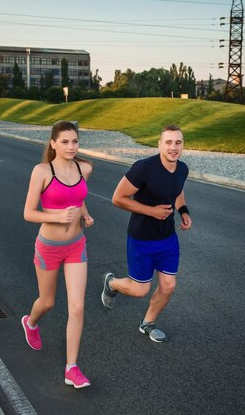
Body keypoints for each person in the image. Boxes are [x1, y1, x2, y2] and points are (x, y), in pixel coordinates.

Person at [101, 124, 192, 343]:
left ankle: (147, 323)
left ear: (182, 146)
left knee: (169, 286)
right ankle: (112, 283)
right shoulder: (143, 168)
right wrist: (151, 211)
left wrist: (183, 210)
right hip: (141, 238)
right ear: (159, 144)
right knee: (140, 290)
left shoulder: (182, 169)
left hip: (168, 238)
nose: (173, 147)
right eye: (168, 142)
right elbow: (118, 198)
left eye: (178, 143)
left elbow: (177, 189)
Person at [21, 120, 94, 389]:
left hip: (76, 245)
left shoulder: (84, 168)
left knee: (77, 306)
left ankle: (71, 368)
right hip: (48, 248)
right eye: (65, 141)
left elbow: (78, 195)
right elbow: (28, 213)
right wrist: (58, 215)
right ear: (53, 143)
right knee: (48, 302)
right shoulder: (42, 171)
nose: (71, 146)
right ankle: (31, 321)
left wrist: (84, 214)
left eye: (75, 141)